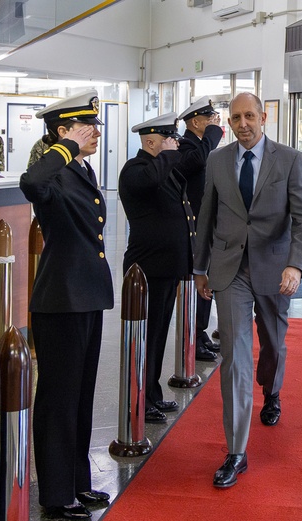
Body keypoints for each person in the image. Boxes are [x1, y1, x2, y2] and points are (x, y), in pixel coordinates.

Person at [193, 92, 302, 488]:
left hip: (276, 268)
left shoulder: (290, 159)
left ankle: (273, 390)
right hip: (230, 271)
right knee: (235, 358)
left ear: (264, 117)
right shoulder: (217, 160)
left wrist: (295, 264)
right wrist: (200, 268)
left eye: (249, 116)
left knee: (274, 345)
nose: (242, 123)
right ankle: (236, 451)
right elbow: (207, 214)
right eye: (235, 117)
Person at [21, 91, 113, 519]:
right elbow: (32, 184)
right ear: (62, 132)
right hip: (61, 298)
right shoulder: (53, 170)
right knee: (59, 397)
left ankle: (78, 481)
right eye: (84, 126)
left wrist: (72, 151)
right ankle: (56, 492)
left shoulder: (80, 169)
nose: (95, 132)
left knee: (81, 395)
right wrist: (64, 148)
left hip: (85, 294)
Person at [118, 112, 193, 424]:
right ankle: (139, 398)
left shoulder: (163, 166)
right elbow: (151, 180)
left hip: (166, 266)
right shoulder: (135, 170)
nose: (174, 144)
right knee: (145, 337)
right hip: (146, 268)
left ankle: (152, 393)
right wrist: (168, 156)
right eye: (167, 139)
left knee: (159, 335)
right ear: (150, 141)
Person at [175, 96, 224, 362]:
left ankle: (201, 332)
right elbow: (197, 160)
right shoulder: (186, 146)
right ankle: (193, 332)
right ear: (195, 122)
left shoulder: (199, 145)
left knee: (207, 280)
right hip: (193, 227)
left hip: (206, 225)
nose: (215, 123)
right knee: (198, 281)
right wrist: (214, 134)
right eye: (209, 120)